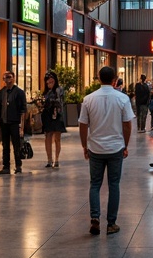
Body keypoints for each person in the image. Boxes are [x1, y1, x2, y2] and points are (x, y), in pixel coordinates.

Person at [78, 65, 134, 235]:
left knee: (95, 184)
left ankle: (95, 218)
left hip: (95, 147)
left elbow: (83, 125)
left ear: (98, 77)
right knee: (113, 184)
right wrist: (125, 145)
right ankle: (111, 223)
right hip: (115, 147)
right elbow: (127, 125)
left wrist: (84, 146)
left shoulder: (88, 99)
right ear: (114, 79)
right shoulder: (122, 99)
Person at [0, 71, 27, 176]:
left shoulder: (19, 92)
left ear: (14, 78)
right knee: (5, 145)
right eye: (5, 78)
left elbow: (23, 110)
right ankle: (6, 167)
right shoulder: (1, 92)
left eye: (9, 77)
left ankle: (18, 166)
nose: (7, 80)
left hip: (15, 122)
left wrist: (22, 127)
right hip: (4, 122)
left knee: (16, 145)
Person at [38, 72, 66, 168]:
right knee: (48, 137)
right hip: (47, 116)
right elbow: (43, 105)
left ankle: (57, 159)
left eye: (52, 78)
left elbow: (60, 101)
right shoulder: (45, 93)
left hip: (57, 115)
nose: (50, 80)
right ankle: (49, 160)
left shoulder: (59, 89)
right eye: (48, 79)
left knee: (57, 138)